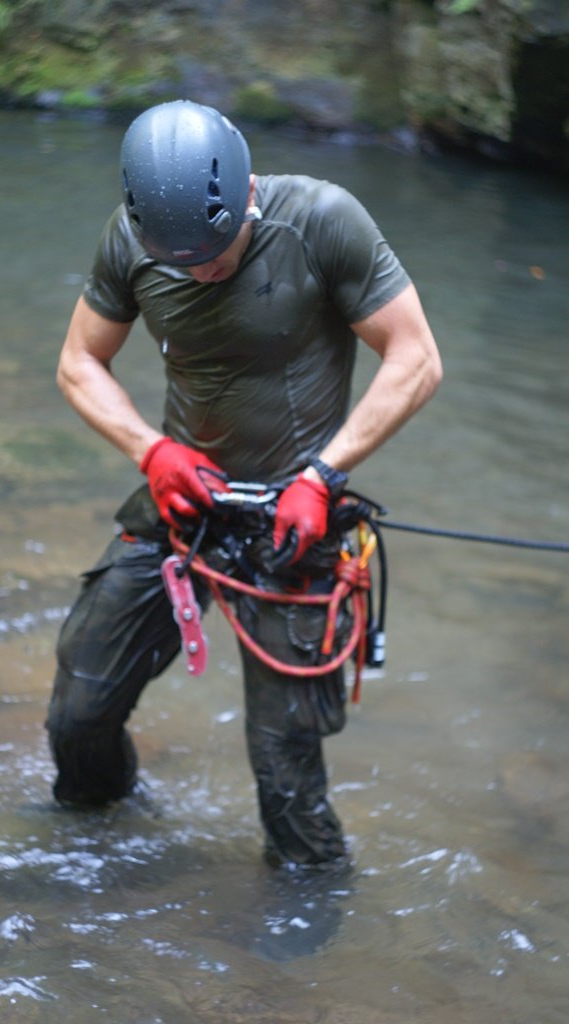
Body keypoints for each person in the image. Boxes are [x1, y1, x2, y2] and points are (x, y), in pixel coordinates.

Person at [46, 99, 442, 869]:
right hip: (181, 504)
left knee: (284, 772)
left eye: (216, 254)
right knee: (79, 709)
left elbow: (415, 358)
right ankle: (93, 846)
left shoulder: (324, 221)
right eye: (184, 261)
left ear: (246, 192)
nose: (202, 269)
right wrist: (150, 451)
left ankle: (304, 947)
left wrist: (324, 475)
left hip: (297, 519)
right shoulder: (131, 240)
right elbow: (76, 363)